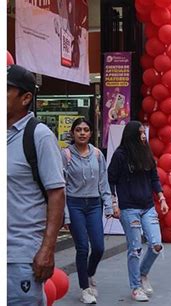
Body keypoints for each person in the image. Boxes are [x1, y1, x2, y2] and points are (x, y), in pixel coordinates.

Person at [7, 64, 66, 305]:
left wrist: (47, 249)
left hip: (20, 257)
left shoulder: (38, 135)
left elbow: (57, 193)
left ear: (26, 98)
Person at [107, 121, 169, 302]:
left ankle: (143, 273)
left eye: (144, 133)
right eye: (140, 133)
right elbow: (110, 179)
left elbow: (154, 177)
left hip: (148, 206)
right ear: (132, 134)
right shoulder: (120, 155)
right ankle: (135, 287)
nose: (143, 136)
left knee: (156, 244)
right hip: (128, 208)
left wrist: (162, 199)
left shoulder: (146, 152)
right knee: (134, 249)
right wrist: (114, 203)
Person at [62, 118, 113, 303]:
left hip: (94, 204)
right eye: (78, 130)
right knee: (82, 247)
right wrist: (65, 215)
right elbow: (62, 187)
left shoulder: (98, 154)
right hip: (74, 204)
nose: (82, 133)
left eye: (85, 130)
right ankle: (84, 289)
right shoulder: (66, 154)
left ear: (91, 133)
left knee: (99, 247)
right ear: (73, 133)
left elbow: (103, 181)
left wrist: (108, 204)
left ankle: (89, 274)